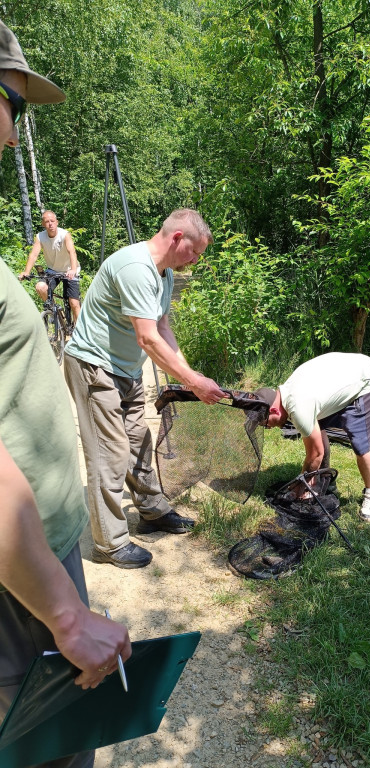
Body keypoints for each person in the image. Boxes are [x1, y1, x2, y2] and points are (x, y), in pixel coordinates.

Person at [0, 21, 130, 768]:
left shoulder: (66, 239)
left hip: (33, 557)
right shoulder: (39, 237)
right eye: (13, 109)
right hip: (20, 585)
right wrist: (63, 612)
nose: (17, 137)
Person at [64, 209, 226, 569]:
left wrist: (189, 371)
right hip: (95, 366)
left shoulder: (164, 273)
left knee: (138, 439)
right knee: (110, 453)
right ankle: (109, 544)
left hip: (127, 369)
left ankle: (152, 512)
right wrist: (193, 382)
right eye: (195, 252)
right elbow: (147, 337)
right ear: (177, 239)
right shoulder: (135, 267)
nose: (196, 260)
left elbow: (163, 326)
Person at [256, 352, 370, 521]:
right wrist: (311, 475)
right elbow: (316, 439)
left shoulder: (298, 408)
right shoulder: (287, 392)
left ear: (274, 410)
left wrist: (301, 485)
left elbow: (316, 454)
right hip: (346, 375)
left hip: (367, 381)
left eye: (266, 423)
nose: (268, 427)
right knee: (319, 426)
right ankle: (322, 479)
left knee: (361, 444)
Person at [19, 209, 81, 323]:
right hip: (53, 270)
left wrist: (73, 270)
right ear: (43, 224)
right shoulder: (40, 237)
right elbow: (33, 255)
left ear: (57, 222)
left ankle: (80, 330)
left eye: (52, 221)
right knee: (40, 287)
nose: (50, 224)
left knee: (74, 303)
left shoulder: (64, 235)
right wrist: (26, 272)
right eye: (47, 221)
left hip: (69, 270)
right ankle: (55, 312)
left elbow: (72, 252)